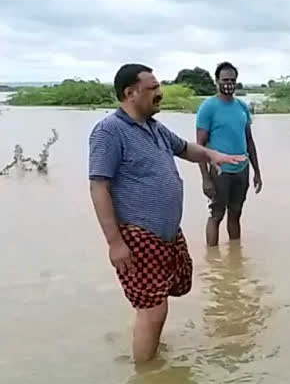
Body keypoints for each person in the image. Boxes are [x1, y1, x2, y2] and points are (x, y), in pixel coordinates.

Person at [89, 64, 246, 363]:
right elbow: (99, 188)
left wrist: (214, 155)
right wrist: (115, 243)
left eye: (158, 86)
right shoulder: (110, 131)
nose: (159, 93)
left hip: (167, 233)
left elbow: (186, 148)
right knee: (154, 308)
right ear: (130, 93)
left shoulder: (154, 127)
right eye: (152, 88)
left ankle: (147, 347)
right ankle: (147, 381)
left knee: (163, 298)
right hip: (137, 234)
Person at [196, 62, 262, 247]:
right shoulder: (208, 108)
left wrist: (257, 171)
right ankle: (213, 261)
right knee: (216, 215)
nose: (229, 84)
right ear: (216, 81)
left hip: (242, 170)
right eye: (225, 80)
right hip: (220, 171)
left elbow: (249, 140)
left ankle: (235, 258)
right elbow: (199, 147)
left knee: (236, 213)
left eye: (232, 80)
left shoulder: (241, 106)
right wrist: (205, 179)